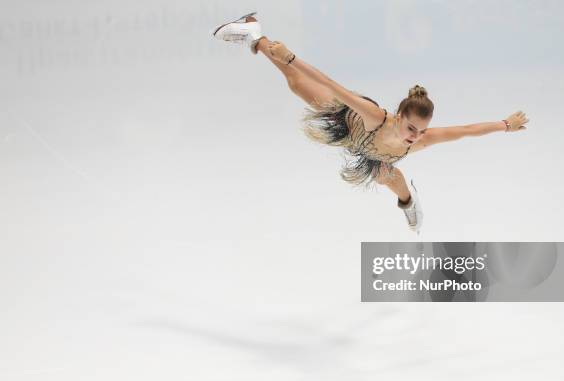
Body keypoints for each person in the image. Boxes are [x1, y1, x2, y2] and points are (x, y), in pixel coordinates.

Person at [212, 12, 529, 233]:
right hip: (347, 121)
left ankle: (409, 202)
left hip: (376, 156)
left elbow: (465, 132)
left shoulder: (420, 139)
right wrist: (291, 57)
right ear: (399, 116)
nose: (414, 136)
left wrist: (505, 124)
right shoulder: (374, 116)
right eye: (410, 128)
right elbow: (333, 85)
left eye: (420, 131)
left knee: (389, 181)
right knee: (295, 82)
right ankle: (254, 33)